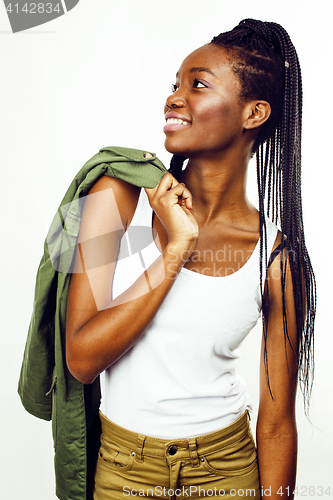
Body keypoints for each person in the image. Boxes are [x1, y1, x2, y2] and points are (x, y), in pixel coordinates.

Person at [65, 18, 316, 500]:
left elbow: (279, 421)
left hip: (227, 469)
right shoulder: (113, 192)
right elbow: (80, 358)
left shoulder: (280, 258)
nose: (174, 97)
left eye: (197, 84)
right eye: (175, 84)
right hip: (124, 471)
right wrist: (177, 247)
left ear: (254, 113)